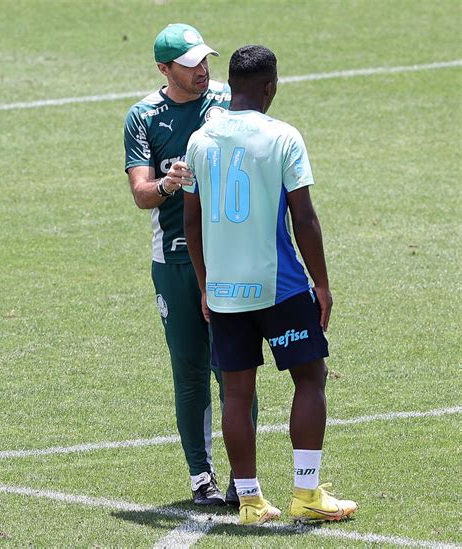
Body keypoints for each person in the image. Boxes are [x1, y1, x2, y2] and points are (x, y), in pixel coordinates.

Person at [183, 45, 357, 525]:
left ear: (230, 84)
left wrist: (204, 284)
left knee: (237, 394)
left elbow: (191, 220)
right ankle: (306, 492)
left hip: (223, 291)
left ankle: (251, 502)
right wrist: (321, 284)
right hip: (279, 286)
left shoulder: (200, 140)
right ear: (269, 87)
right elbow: (303, 216)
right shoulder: (283, 137)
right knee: (310, 377)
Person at [123, 23, 257, 507]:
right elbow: (140, 193)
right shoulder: (143, 117)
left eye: (204, 60)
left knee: (236, 370)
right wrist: (167, 184)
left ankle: (247, 482)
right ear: (164, 69)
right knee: (190, 370)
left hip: (228, 255)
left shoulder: (224, 97)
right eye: (190, 64)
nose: (202, 70)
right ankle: (202, 477)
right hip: (176, 260)